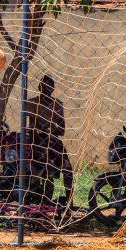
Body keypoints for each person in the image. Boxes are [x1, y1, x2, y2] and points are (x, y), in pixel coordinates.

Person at [26, 75, 73, 207]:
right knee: (49, 166)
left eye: (49, 87)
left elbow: (62, 129)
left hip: (53, 142)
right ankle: (43, 199)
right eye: (44, 86)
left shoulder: (57, 104)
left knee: (68, 168)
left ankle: (70, 204)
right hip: (37, 142)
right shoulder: (31, 103)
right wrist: (36, 129)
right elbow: (27, 127)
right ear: (39, 87)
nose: (47, 89)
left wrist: (50, 130)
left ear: (53, 89)